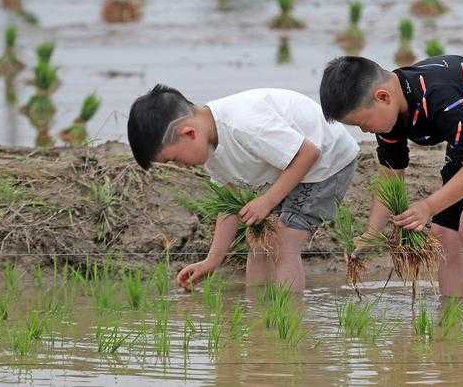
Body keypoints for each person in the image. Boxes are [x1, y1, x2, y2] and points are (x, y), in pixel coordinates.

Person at [319, 55, 463, 305]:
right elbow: (390, 175)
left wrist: (427, 207)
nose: (364, 131)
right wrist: (371, 234)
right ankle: (453, 319)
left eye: (362, 123)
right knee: (444, 233)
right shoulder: (389, 116)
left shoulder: (436, 95)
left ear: (383, 96)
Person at [127, 85, 358, 292]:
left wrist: (267, 201)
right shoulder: (210, 149)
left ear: (189, 133)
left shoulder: (244, 124)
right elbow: (229, 204)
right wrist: (212, 260)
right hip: (290, 167)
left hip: (328, 162)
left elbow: (309, 153)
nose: (181, 166)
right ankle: (257, 316)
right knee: (259, 239)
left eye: (174, 159)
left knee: (283, 242)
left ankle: (289, 321)